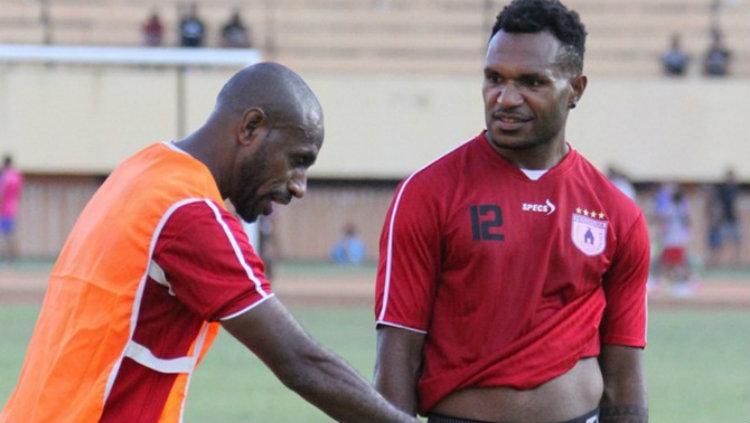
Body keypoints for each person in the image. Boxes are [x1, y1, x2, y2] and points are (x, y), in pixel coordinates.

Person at [0, 63, 417, 423]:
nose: (300, 186)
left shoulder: (143, 169)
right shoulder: (189, 213)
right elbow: (301, 363)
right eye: (298, 160)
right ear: (251, 127)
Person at [373, 1, 649, 423]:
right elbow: (395, 361)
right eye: (494, 78)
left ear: (576, 89)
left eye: (531, 82)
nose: (506, 97)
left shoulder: (616, 213)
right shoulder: (427, 194)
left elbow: (624, 376)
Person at [708, 168, 742, 267]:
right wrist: (717, 218)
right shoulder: (722, 190)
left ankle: (736, 261)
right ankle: (718, 261)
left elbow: (737, 204)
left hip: (734, 219)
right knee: (721, 242)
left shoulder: (735, 189)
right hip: (724, 220)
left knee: (737, 241)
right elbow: (719, 205)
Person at [0, 154, 23, 262]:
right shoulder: (16, 176)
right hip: (12, 207)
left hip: (4, 208)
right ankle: (12, 255)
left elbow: (2, 193)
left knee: (6, 234)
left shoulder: (5, 177)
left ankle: (10, 257)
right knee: (9, 233)